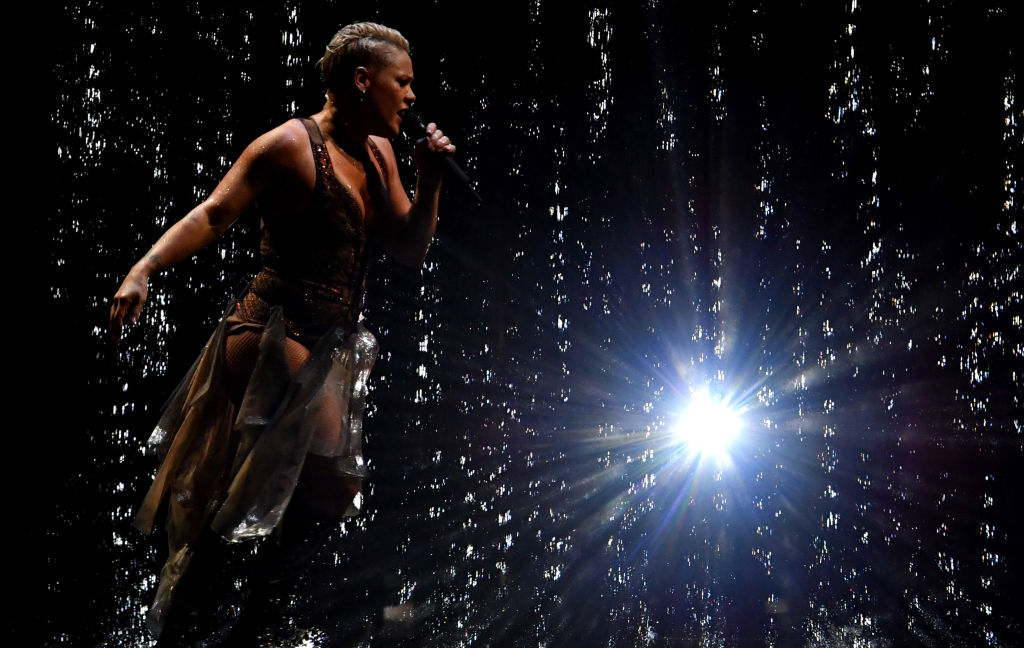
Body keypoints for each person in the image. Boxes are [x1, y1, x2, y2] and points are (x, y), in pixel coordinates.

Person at [109, 22, 455, 641]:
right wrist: (144, 269)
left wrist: (430, 180)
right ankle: (246, 622)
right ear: (362, 80)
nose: (411, 97)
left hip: (329, 343)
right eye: (401, 82)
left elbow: (409, 248)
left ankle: (222, 616)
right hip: (271, 330)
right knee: (324, 478)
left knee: (289, 495)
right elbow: (214, 213)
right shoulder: (289, 145)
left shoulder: (380, 152)